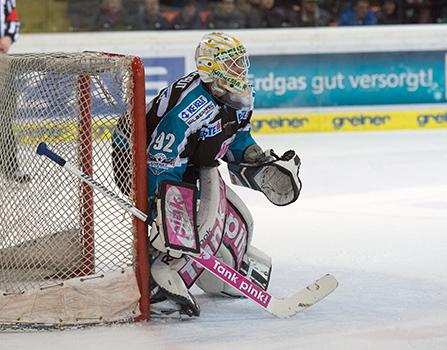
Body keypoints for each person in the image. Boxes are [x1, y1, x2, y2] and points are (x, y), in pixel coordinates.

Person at [112, 32, 302, 317]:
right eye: (233, 63)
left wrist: (255, 158)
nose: (241, 69)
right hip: (135, 156)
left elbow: (234, 138)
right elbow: (162, 159)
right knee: (177, 228)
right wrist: (162, 206)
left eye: (241, 62)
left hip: (185, 159)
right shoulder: (190, 108)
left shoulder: (240, 95)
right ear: (212, 67)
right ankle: (156, 274)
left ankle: (220, 263)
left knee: (225, 215)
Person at [0, 0, 30, 183]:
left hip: (2, 61)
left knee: (4, 117)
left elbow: (13, 19)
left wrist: (8, 38)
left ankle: (10, 167)